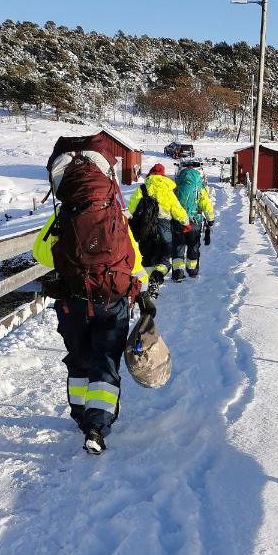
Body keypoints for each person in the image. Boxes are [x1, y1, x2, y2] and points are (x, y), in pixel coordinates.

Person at [33, 143, 155, 455]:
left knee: (79, 359)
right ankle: (97, 426)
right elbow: (133, 258)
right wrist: (141, 288)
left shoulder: (64, 215)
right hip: (112, 299)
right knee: (106, 361)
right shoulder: (115, 214)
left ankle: (79, 415)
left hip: (73, 301)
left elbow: (40, 253)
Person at [128, 164, 190, 294]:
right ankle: (157, 277)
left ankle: (147, 284)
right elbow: (177, 209)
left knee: (147, 259)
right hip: (164, 227)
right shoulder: (167, 190)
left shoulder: (142, 189)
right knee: (165, 259)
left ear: (150, 174)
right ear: (163, 175)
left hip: (145, 229)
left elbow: (130, 210)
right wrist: (186, 223)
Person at [171, 166, 215, 280]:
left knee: (178, 247)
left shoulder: (176, 187)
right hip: (194, 221)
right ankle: (192, 270)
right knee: (193, 246)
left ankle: (178, 273)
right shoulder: (198, 188)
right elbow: (206, 205)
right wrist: (210, 220)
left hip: (178, 221)